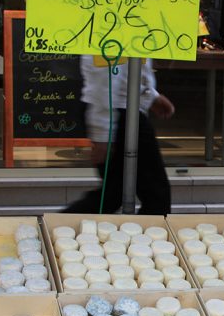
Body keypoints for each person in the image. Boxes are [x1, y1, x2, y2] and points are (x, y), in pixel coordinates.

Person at [64, 56, 175, 214]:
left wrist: (151, 95)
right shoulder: (110, 31)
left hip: (123, 108)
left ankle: (58, 228)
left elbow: (132, 62)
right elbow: (104, 75)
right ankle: (57, 229)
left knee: (113, 194)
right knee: (155, 196)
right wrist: (103, 132)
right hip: (118, 111)